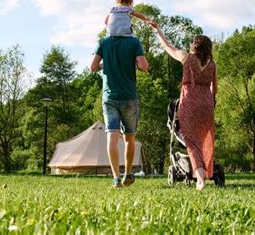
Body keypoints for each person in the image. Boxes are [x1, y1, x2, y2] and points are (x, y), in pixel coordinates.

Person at [153, 26, 217, 190]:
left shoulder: (186, 58)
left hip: (189, 103)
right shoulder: (212, 65)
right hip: (207, 105)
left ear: (194, 46)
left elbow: (168, 47)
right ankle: (203, 173)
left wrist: (158, 30)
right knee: (203, 141)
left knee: (191, 142)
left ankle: (200, 180)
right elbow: (214, 89)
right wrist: (209, 103)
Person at [90, 25, 149, 188]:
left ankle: (116, 179)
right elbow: (144, 66)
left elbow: (93, 67)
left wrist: (106, 64)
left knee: (112, 137)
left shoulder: (103, 42)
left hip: (109, 97)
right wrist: (134, 63)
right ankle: (128, 173)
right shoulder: (134, 42)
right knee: (130, 138)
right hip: (129, 97)